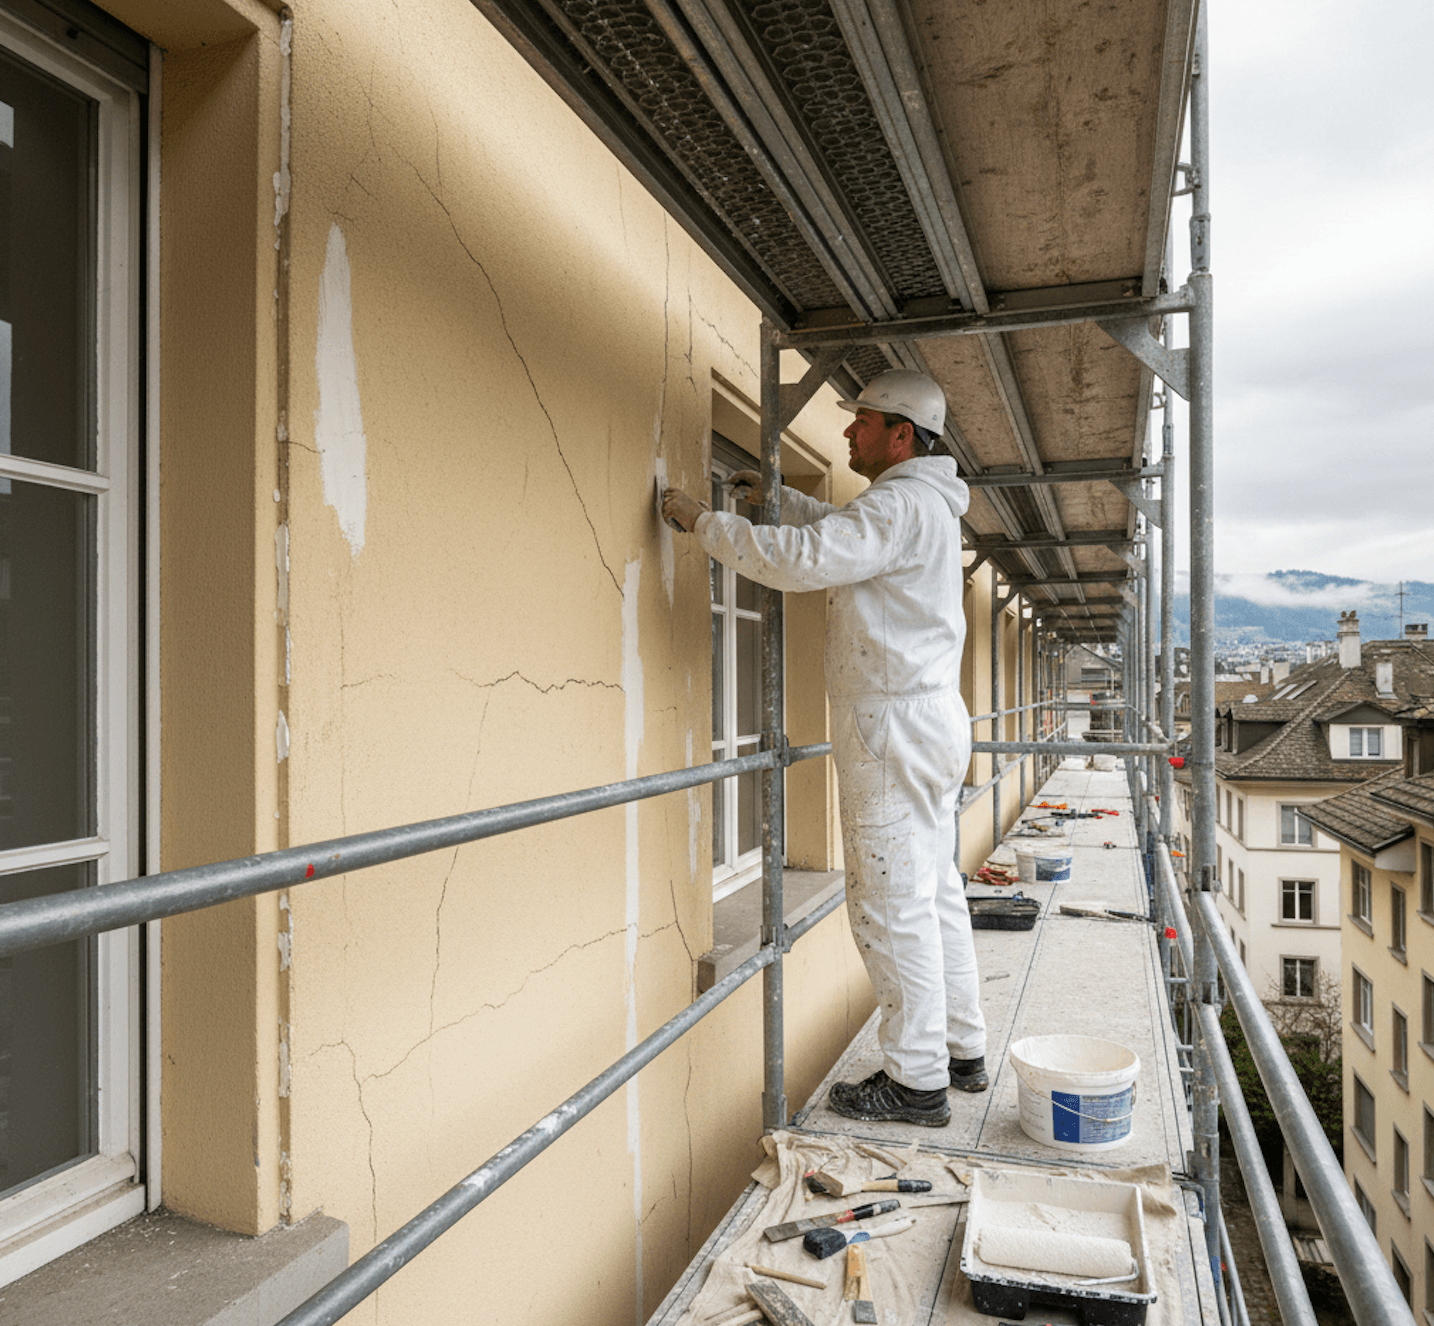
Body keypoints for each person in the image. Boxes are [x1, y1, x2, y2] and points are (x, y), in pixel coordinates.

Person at [661, 369, 986, 1128]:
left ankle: (915, 1082)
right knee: (934, 889)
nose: (847, 433)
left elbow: (804, 562)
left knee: (889, 902)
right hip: (929, 719)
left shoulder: (902, 503)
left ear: (900, 436)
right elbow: (844, 539)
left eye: (862, 422)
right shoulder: (922, 505)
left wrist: (701, 522)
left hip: (889, 725)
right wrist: (783, 502)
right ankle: (960, 1051)